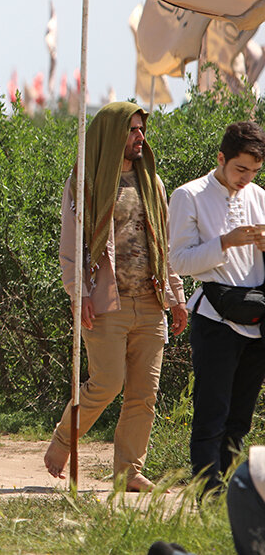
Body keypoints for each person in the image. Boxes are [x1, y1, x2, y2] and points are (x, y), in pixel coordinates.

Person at [43, 102, 187, 492]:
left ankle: (129, 471)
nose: (141, 137)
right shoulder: (85, 181)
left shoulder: (151, 183)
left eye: (142, 130)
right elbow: (71, 248)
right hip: (107, 303)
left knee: (144, 393)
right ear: (111, 134)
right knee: (106, 383)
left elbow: (165, 244)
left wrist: (177, 297)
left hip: (151, 302)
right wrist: (80, 294)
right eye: (132, 130)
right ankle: (62, 442)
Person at [169, 120, 265, 490]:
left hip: (257, 318)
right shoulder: (189, 196)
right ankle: (206, 495)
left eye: (255, 171)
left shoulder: (259, 197)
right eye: (240, 168)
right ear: (222, 158)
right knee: (212, 415)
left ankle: (232, 497)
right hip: (216, 319)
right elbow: (178, 261)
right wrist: (225, 241)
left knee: (240, 418)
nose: (246, 178)